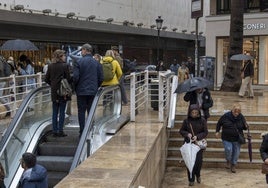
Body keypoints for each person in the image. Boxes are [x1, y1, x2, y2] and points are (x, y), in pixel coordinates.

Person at [73, 43, 103, 137]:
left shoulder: (79, 62)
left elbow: (75, 77)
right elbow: (101, 78)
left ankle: (82, 131)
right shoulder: (97, 63)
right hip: (93, 91)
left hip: (81, 91)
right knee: (91, 110)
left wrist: (76, 87)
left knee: (81, 111)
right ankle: (90, 129)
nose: (81, 52)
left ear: (86, 50)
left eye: (82, 50)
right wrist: (96, 86)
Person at [179, 104, 208, 186]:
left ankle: (198, 174)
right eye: (193, 112)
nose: (194, 114)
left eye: (196, 112)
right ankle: (191, 179)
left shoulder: (202, 120)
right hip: (189, 144)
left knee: (198, 162)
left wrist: (197, 136)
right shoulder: (186, 121)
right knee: (189, 162)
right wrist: (187, 134)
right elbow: (181, 131)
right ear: (190, 112)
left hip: (198, 145)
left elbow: (205, 132)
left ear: (198, 112)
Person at [45, 49, 72, 137]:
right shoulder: (65, 66)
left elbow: (46, 79)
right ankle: (60, 130)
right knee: (62, 112)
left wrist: (53, 84)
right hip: (62, 92)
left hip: (54, 92)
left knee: (55, 112)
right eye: (64, 56)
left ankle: (54, 131)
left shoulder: (50, 66)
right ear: (60, 57)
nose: (65, 57)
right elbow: (68, 79)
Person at [215, 103, 248, 173]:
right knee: (228, 149)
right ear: (232, 110)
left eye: (238, 112)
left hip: (237, 138)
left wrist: (246, 126)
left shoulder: (241, 117)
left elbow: (244, 127)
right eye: (235, 111)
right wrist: (217, 131)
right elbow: (219, 123)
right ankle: (228, 160)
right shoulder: (226, 116)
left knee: (236, 152)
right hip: (226, 137)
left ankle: (233, 165)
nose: (236, 113)